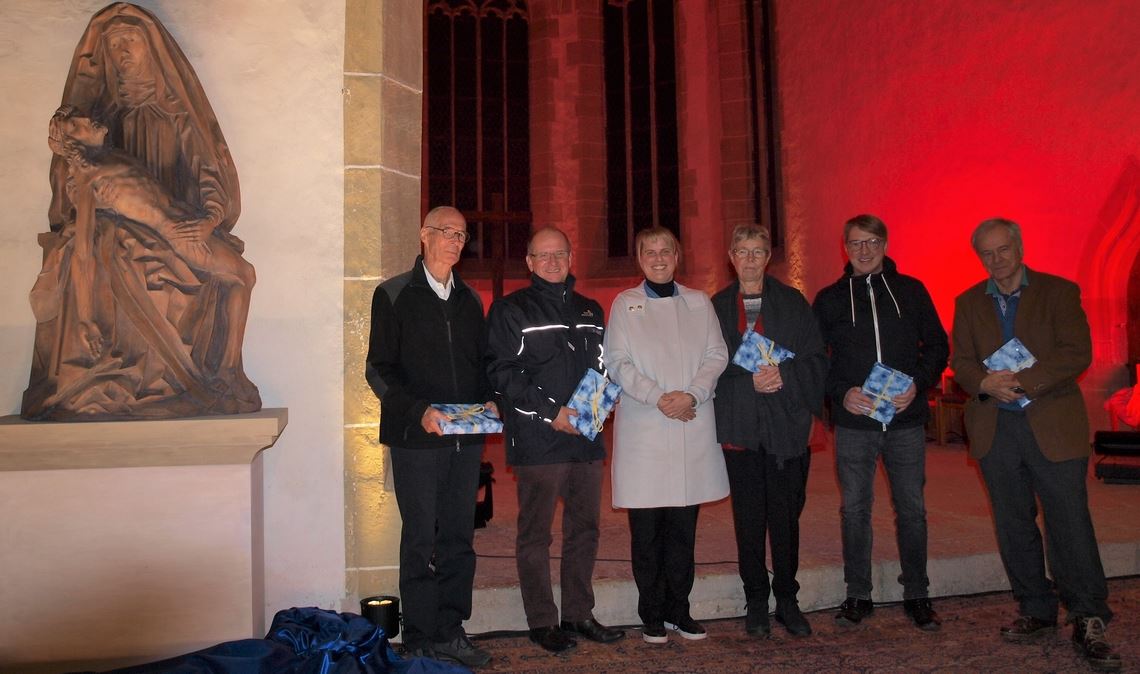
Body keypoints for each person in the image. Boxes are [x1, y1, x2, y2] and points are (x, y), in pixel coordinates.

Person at [23, 3, 258, 420]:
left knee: (232, 273)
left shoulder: (178, 116)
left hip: (180, 223)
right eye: (114, 45)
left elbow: (207, 170)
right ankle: (137, 376)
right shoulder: (101, 130)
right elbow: (78, 203)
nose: (123, 52)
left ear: (151, 49)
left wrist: (209, 216)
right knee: (114, 251)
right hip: (128, 231)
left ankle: (220, 375)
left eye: (131, 40)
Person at [951, 218, 1120, 671]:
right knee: (1013, 525)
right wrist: (984, 382)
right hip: (995, 429)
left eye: (1003, 249)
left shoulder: (1059, 291)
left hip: (1051, 424)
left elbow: (1075, 352)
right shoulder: (967, 302)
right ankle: (1036, 610)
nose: (996, 259)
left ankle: (1088, 615)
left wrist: (1023, 383)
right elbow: (961, 361)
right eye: (987, 253)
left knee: (1069, 522)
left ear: (1020, 247)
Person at [365, 206, 495, 668]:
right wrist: (418, 412)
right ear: (424, 236)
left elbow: (482, 365)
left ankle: (450, 628)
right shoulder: (394, 293)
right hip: (416, 437)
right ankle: (419, 635)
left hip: (465, 439)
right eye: (446, 232)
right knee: (421, 538)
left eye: (462, 235)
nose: (456, 241)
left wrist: (491, 400)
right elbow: (377, 371)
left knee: (460, 536)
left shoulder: (471, 300)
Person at [486, 227, 626, 654]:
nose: (552, 262)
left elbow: (603, 366)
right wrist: (552, 413)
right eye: (542, 256)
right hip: (539, 440)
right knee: (536, 535)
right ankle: (543, 621)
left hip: (585, 440)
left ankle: (579, 613)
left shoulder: (590, 309)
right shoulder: (511, 310)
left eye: (559, 254)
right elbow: (502, 372)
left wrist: (601, 406)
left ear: (570, 257)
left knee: (585, 529)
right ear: (528, 262)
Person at [812, 214, 948, 631]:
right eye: (855, 244)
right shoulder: (830, 298)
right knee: (854, 510)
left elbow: (938, 345)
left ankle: (918, 594)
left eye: (871, 242)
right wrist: (842, 393)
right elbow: (817, 360)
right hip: (855, 425)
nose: (864, 251)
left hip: (905, 421)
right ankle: (858, 593)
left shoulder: (911, 290)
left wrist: (918, 384)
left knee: (912, 510)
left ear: (885, 244)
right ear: (845, 248)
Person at [604, 226, 730, 644]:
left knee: (682, 529)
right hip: (646, 427)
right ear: (639, 258)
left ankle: (680, 608)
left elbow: (716, 354)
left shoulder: (699, 301)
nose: (658, 258)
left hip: (690, 423)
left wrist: (691, 394)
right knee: (647, 531)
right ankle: (652, 613)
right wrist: (659, 397)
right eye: (649, 252)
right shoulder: (626, 304)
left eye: (665, 251)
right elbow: (618, 362)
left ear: (677, 255)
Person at [711, 224, 827, 638]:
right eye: (742, 251)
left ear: (768, 257)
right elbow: (707, 370)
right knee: (747, 519)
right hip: (741, 427)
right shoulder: (717, 306)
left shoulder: (792, 302)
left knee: (784, 518)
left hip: (785, 426)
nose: (749, 259)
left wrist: (784, 374)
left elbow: (816, 360)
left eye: (758, 252)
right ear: (731, 256)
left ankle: (788, 599)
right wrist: (748, 382)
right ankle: (756, 600)